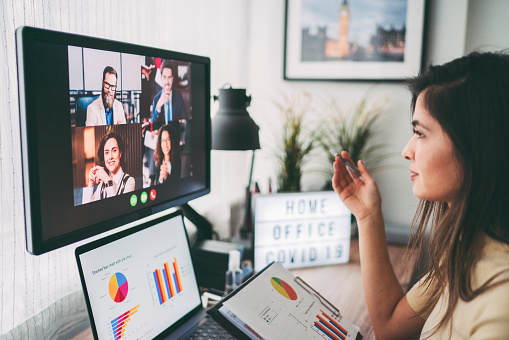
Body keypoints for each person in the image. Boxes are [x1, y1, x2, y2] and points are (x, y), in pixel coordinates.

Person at [332, 51, 509, 339]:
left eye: (421, 133)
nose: (407, 150)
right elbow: (391, 327)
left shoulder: (501, 299)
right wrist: (367, 215)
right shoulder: (463, 250)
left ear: (478, 148)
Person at [82, 131, 135, 203]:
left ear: (120, 153)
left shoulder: (129, 182)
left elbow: (118, 209)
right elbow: (86, 211)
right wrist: (91, 184)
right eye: (106, 152)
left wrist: (107, 181)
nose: (110, 157)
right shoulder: (101, 185)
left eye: (114, 150)